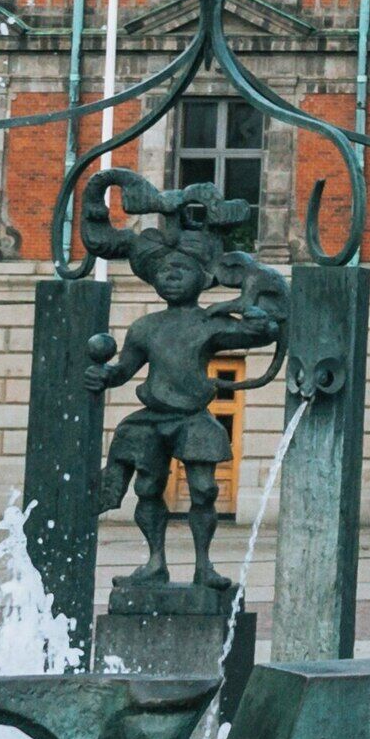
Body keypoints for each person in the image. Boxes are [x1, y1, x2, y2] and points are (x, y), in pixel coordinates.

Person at [85, 188, 285, 591]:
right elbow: (125, 368)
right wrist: (105, 375)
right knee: (147, 487)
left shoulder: (209, 323)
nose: (170, 277)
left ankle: (204, 566)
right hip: (153, 416)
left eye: (181, 270)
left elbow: (260, 333)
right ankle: (154, 561)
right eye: (163, 272)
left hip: (193, 417)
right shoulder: (145, 327)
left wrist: (252, 310)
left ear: (204, 278)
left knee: (204, 489)